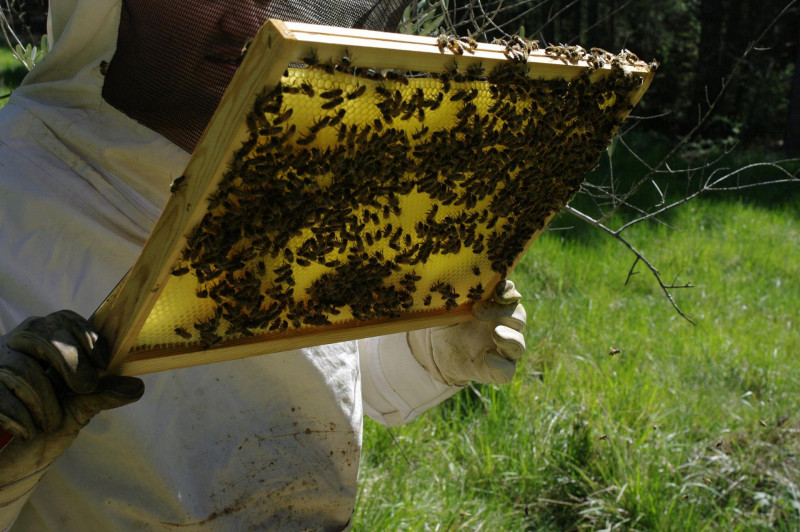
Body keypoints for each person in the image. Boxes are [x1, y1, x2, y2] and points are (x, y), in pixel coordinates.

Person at [0, 0, 528, 529]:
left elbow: (327, 371)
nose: (251, 20)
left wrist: (431, 346)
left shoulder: (295, 169)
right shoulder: (15, 188)